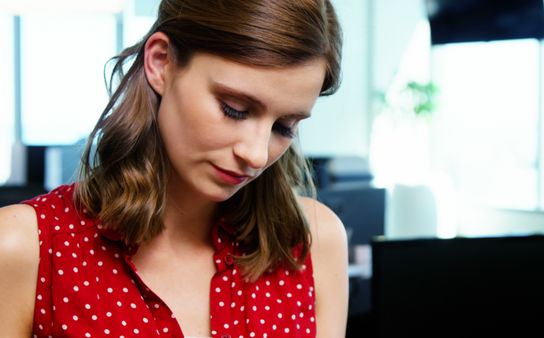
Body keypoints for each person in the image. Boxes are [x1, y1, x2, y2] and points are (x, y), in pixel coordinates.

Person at [0, 0, 348, 337]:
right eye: (234, 109)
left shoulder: (313, 242)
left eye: (284, 127)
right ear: (161, 63)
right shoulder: (26, 248)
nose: (256, 155)